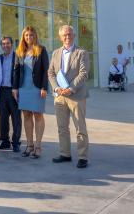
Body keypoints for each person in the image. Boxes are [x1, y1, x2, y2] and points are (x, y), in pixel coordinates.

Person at [49, 25, 90, 169]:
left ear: (74, 35)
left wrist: (71, 88)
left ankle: (83, 156)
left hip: (76, 95)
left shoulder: (82, 52)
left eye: (70, 34)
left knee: (80, 127)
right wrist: (56, 87)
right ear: (60, 37)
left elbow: (84, 73)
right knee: (62, 127)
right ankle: (65, 153)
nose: (67, 37)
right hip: (60, 96)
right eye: (64, 35)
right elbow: (51, 73)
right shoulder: (55, 53)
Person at [12, 27, 49, 159]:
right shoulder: (19, 51)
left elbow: (46, 70)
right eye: (26, 35)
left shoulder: (41, 50)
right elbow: (16, 71)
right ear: (23, 37)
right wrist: (14, 88)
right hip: (23, 88)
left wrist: (44, 87)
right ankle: (29, 145)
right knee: (26, 116)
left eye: (31, 35)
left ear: (35, 36)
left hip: (37, 88)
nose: (29, 37)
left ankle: (38, 146)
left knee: (38, 115)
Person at [0, 36, 22, 153]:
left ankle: (16, 142)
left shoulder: (18, 57)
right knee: (3, 117)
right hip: (2, 91)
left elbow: (20, 75)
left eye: (7, 43)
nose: (5, 45)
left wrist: (17, 88)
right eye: (3, 44)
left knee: (16, 118)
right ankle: (5, 141)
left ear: (11, 44)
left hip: (14, 91)